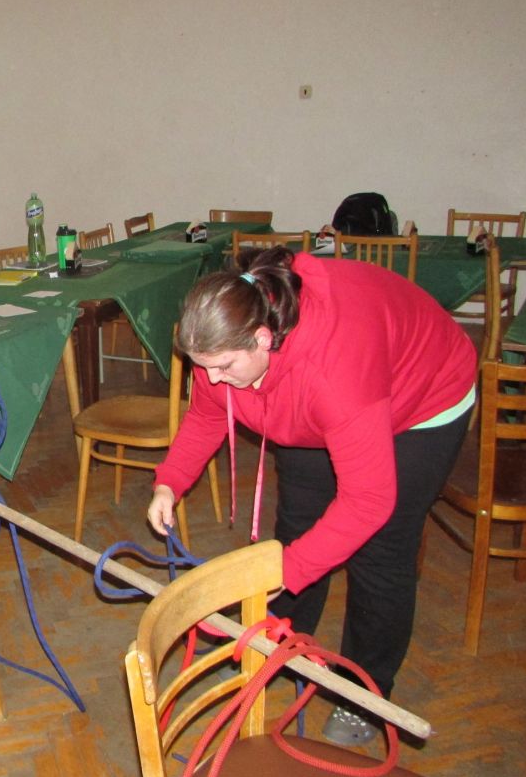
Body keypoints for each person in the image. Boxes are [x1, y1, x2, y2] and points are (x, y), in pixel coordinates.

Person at [147, 245, 475, 745]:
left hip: (425, 395)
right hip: (327, 398)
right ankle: (279, 642)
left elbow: (368, 501)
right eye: (202, 367)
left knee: (380, 549)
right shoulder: (221, 345)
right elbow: (209, 414)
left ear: (262, 338)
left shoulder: (331, 372)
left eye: (224, 367)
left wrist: (291, 570)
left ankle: (365, 696)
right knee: (298, 524)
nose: (212, 379)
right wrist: (169, 480)